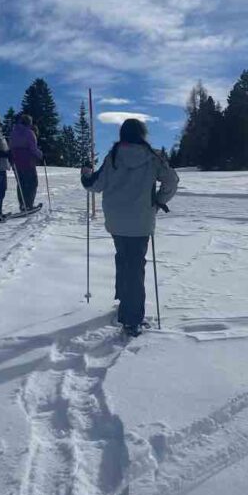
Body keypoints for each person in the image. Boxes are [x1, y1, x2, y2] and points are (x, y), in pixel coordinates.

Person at [81, 118, 179, 336]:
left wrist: (85, 173)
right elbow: (171, 180)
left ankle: (125, 304)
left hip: (116, 220)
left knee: (124, 258)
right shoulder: (152, 157)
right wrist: (159, 200)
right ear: (142, 134)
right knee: (135, 266)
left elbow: (94, 185)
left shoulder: (113, 156)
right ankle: (131, 320)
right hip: (141, 221)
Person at [9, 112, 44, 210]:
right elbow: (33, 148)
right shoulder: (29, 133)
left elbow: (10, 146)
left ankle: (22, 204)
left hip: (16, 162)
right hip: (27, 161)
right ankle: (28, 204)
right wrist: (40, 155)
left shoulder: (13, 132)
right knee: (32, 183)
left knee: (21, 184)